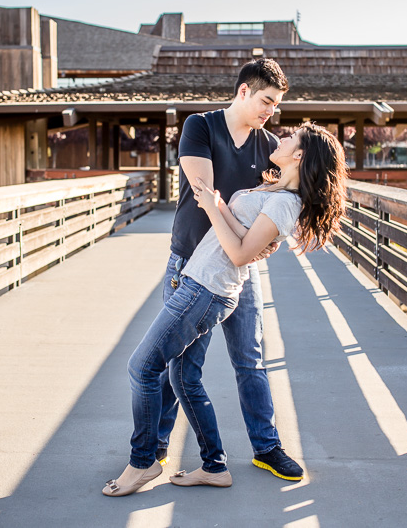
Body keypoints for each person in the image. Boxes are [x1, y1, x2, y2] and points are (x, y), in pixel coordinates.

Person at [103, 123, 347, 496]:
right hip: (199, 280)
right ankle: (214, 465)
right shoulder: (275, 189)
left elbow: (238, 253)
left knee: (142, 366)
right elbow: (244, 236)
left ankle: (143, 462)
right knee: (183, 377)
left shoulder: (285, 202)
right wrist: (218, 205)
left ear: (299, 155)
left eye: (290, 138)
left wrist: (212, 207)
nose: (281, 136)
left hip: (207, 289)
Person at [154, 59, 305, 485]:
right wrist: (242, 238)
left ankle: (266, 446)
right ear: (243, 91)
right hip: (191, 263)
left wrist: (261, 243)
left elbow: (272, 209)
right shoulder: (200, 126)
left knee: (251, 358)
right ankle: (157, 448)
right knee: (178, 362)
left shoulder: (271, 145)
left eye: (276, 105)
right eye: (266, 101)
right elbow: (204, 192)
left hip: (239, 270)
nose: (271, 112)